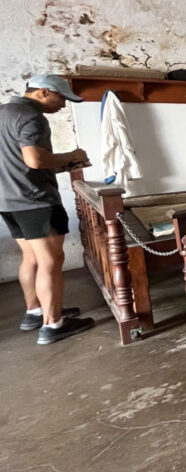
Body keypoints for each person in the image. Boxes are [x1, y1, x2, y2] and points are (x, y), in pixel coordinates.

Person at [1, 74, 95, 344]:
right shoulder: (31, 116)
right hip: (34, 200)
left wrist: (62, 164)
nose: (63, 105)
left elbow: (17, 159)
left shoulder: (4, 112)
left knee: (30, 258)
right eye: (61, 98)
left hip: (7, 199)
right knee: (50, 262)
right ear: (43, 92)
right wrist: (72, 156)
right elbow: (35, 159)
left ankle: (35, 311)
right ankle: (53, 325)